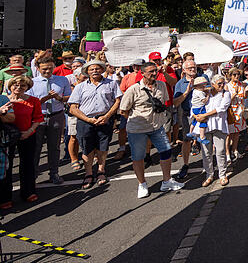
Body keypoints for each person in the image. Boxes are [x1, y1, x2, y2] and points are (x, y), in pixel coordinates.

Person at [120, 62, 184, 198]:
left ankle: (166, 181)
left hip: (157, 127)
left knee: (166, 151)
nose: (154, 74)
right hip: (138, 129)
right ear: (142, 73)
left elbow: (165, 102)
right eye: (150, 72)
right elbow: (124, 111)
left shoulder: (161, 85)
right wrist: (138, 119)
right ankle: (142, 184)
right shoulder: (133, 89)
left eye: (155, 71)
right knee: (138, 157)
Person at [68, 60, 122, 188]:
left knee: (102, 147)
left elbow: (117, 101)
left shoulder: (112, 83)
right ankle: (88, 173)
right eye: (91, 69)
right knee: (87, 148)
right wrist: (88, 120)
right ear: (87, 72)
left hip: (104, 119)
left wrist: (107, 116)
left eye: (97, 68)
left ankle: (101, 170)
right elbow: (73, 108)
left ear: (102, 70)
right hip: (85, 121)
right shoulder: (80, 86)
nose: (94, 71)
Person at [28, 56, 70, 184]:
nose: (48, 71)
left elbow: (68, 97)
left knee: (54, 146)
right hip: (39, 117)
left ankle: (54, 173)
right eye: (44, 69)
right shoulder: (32, 82)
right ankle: (33, 175)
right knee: (36, 147)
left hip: (56, 116)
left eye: (50, 68)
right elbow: (31, 103)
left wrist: (58, 97)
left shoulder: (62, 80)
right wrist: (46, 98)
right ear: (38, 68)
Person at [0, 76, 41, 206]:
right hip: (7, 137)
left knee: (27, 164)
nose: (18, 87)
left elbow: (38, 119)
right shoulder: (4, 100)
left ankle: (28, 192)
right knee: (7, 166)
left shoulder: (33, 100)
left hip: (27, 135)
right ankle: (5, 197)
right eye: (15, 85)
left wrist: (29, 132)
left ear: (27, 87)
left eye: (22, 85)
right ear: (10, 86)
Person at [172, 59, 207, 180]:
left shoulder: (203, 77)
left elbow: (211, 91)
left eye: (194, 67)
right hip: (187, 114)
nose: (193, 70)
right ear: (184, 70)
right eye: (190, 68)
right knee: (187, 140)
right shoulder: (180, 84)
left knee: (205, 138)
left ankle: (208, 163)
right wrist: (187, 91)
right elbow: (175, 102)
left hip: (203, 114)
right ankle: (186, 164)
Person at [194, 74, 232, 187]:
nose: (222, 85)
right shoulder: (206, 93)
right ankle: (209, 175)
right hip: (205, 127)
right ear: (213, 84)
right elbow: (195, 104)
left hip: (219, 126)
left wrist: (204, 115)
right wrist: (196, 116)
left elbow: (221, 109)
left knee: (220, 151)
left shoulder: (226, 94)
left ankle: (222, 175)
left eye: (223, 83)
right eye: (219, 83)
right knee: (206, 152)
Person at [226, 67, 247, 163]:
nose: (237, 76)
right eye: (234, 74)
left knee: (237, 132)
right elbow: (226, 101)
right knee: (229, 134)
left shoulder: (241, 84)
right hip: (231, 112)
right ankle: (227, 153)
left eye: (238, 74)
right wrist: (235, 93)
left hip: (240, 111)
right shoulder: (227, 86)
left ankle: (235, 150)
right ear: (230, 76)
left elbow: (244, 96)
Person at [188, 76, 210, 142]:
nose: (203, 87)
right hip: (200, 108)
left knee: (194, 121)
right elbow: (204, 101)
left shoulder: (194, 91)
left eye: (204, 86)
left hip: (194, 108)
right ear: (196, 86)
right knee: (203, 121)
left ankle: (190, 132)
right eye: (201, 86)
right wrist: (208, 95)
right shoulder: (200, 93)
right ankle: (202, 137)